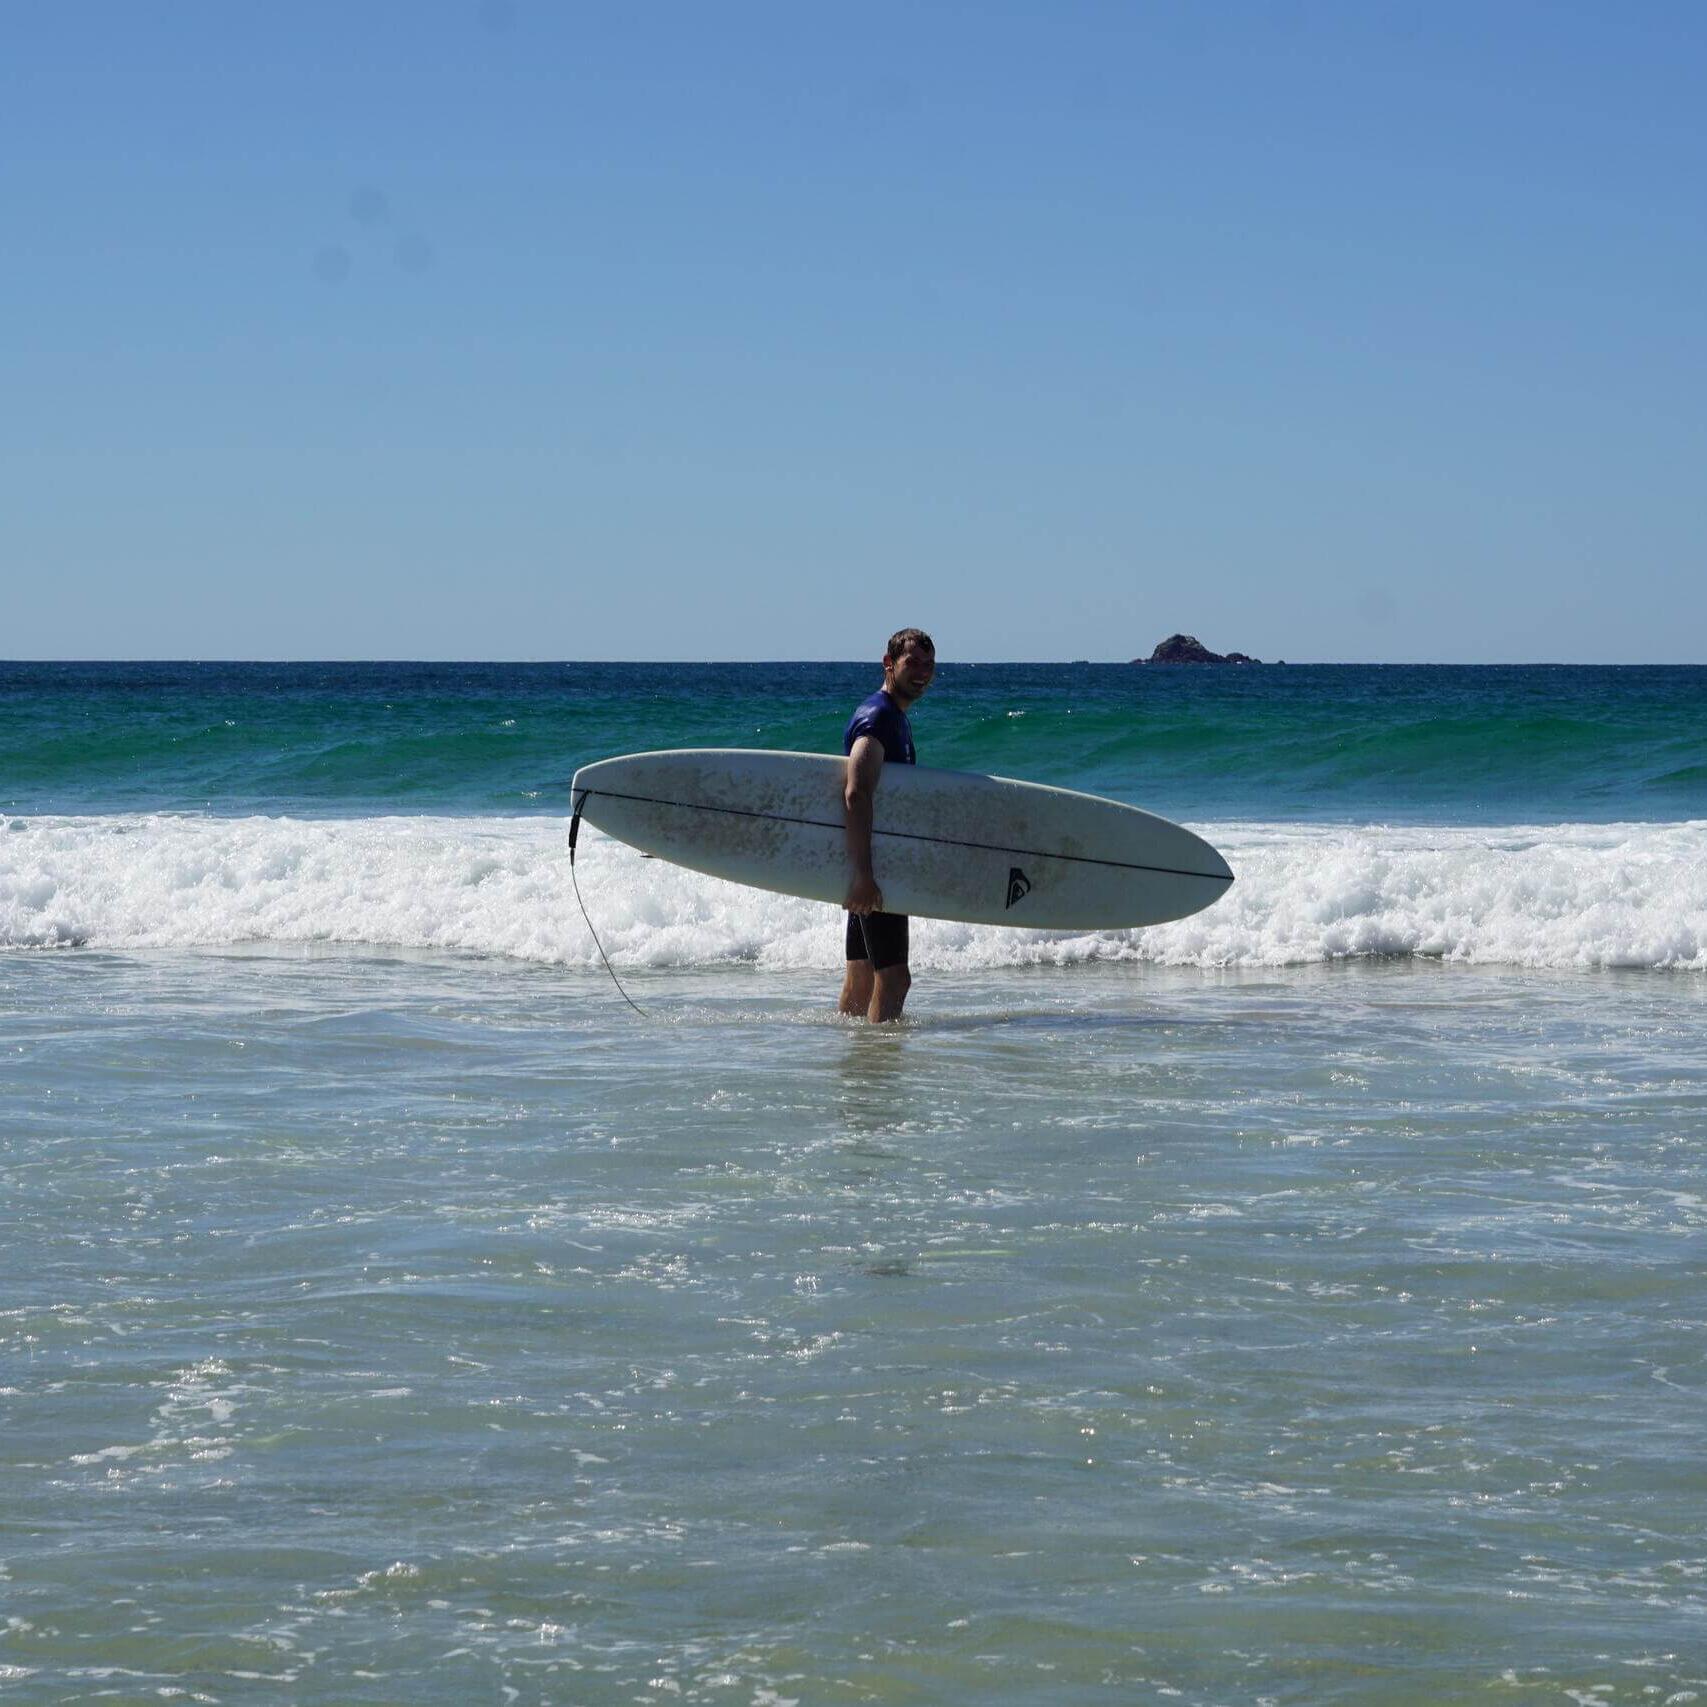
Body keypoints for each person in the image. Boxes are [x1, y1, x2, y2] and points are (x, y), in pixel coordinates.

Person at [840, 628, 936, 1023]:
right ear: (888, 663)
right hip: (875, 868)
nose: (922, 673)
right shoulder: (878, 717)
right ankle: (878, 1072)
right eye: (912, 663)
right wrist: (864, 875)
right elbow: (856, 793)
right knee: (895, 979)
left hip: (869, 863)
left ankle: (852, 1059)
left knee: (862, 974)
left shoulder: (894, 716)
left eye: (929, 666)